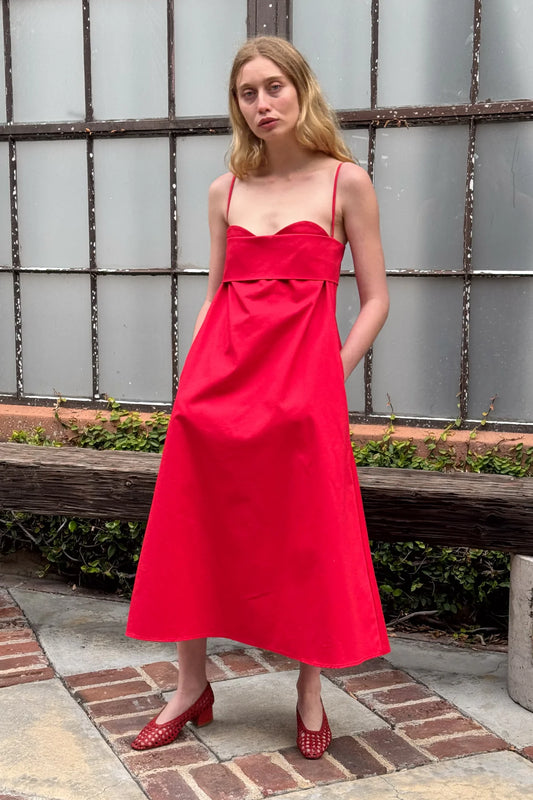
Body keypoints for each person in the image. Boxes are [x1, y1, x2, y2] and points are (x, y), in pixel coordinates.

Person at [126, 35, 390, 759]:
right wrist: (190, 384)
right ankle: (189, 686)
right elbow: (215, 298)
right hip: (218, 391)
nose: (262, 103)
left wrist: (328, 376)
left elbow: (374, 301)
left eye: (274, 87)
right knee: (194, 526)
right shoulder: (226, 190)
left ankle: (308, 689)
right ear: (236, 107)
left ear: (300, 90)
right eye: (248, 93)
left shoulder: (346, 182)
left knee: (305, 535)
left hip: (303, 395)